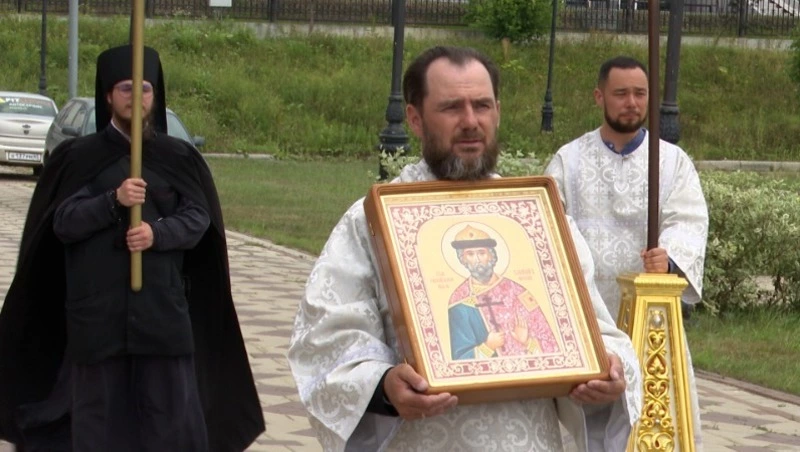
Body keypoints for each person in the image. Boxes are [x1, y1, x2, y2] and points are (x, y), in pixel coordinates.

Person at [288, 46, 642, 452]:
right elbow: (327, 339)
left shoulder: (537, 216)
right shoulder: (371, 221)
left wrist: (608, 368)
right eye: (452, 107)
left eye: (482, 106)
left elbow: (595, 331)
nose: (471, 121)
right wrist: (384, 386)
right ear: (415, 119)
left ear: (498, 112)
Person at [0, 44, 264, 451]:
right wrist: (113, 201)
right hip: (98, 320)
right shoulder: (79, 158)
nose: (136, 97)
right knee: (98, 429)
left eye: (144, 88)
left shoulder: (178, 158)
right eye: (126, 88)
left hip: (161, 317)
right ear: (108, 95)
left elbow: (199, 220)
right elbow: (63, 223)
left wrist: (157, 234)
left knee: (169, 429)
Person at [544, 55, 709, 448]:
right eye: (621, 94)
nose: (632, 103)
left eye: (640, 93)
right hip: (589, 312)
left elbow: (689, 219)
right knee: (588, 418)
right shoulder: (569, 160)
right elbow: (549, 224)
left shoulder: (671, 162)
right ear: (599, 96)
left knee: (653, 419)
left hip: (650, 315)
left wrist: (669, 259)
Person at [447, 224, 559, 360]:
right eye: (470, 254)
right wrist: (487, 347)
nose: (477, 260)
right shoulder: (459, 300)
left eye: (482, 253)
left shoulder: (517, 292)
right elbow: (458, 361)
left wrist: (528, 342)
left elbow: (552, 347)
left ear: (491, 255)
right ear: (463, 259)